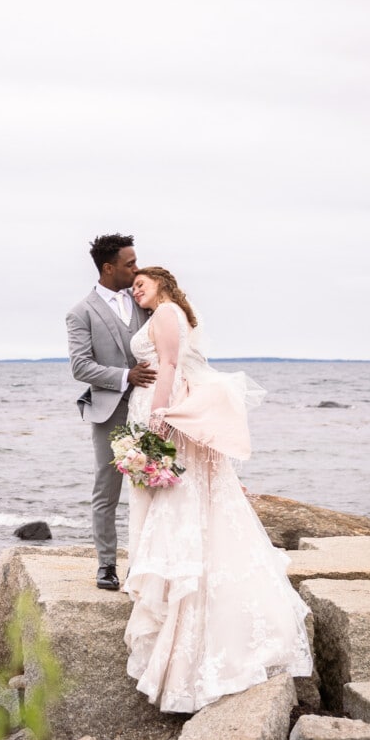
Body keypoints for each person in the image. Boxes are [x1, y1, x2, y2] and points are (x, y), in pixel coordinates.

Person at [122, 266, 312, 713]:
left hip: (164, 407)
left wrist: (161, 413)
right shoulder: (166, 311)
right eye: (133, 285)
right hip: (158, 403)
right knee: (178, 495)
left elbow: (168, 363)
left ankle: (183, 596)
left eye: (141, 283)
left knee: (178, 497)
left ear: (162, 284)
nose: (135, 289)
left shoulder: (166, 311)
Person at [65, 234, 155, 590]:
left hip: (150, 409)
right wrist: (124, 376)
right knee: (107, 490)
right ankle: (106, 565)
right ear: (109, 268)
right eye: (130, 263)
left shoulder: (146, 302)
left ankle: (146, 562)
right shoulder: (81, 312)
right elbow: (81, 367)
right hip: (109, 411)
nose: (136, 268)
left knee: (153, 484)